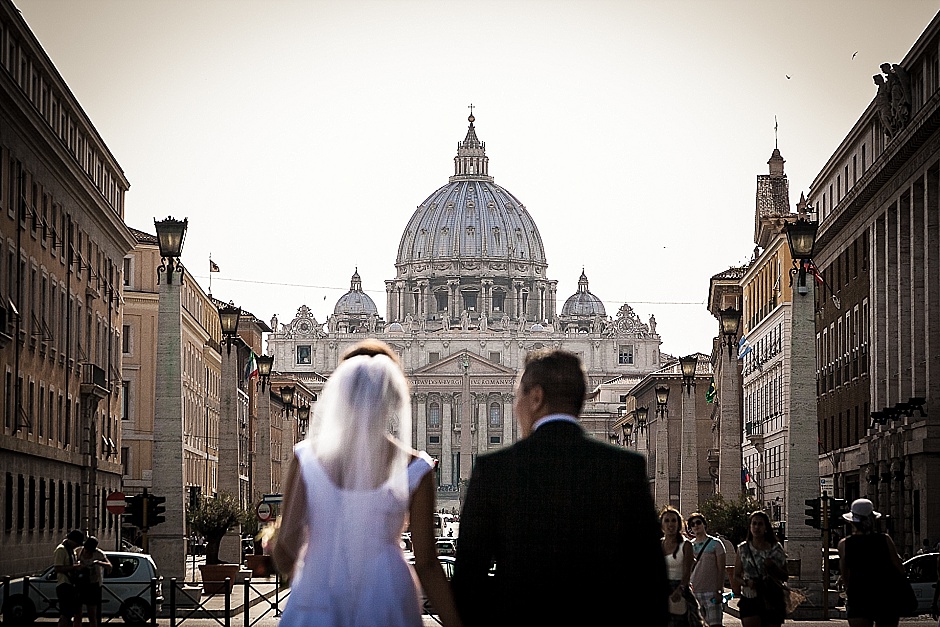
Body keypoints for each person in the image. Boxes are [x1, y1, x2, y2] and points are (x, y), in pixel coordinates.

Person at [452, 348, 667, 625]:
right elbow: (651, 580)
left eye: (518, 397)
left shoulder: (493, 470)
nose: (516, 407)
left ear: (537, 398)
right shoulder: (625, 468)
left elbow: (468, 581)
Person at [271, 339, 461, 627]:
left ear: (340, 394)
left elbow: (286, 550)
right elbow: (427, 563)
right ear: (395, 398)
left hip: (319, 593)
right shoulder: (417, 467)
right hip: (387, 594)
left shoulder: (307, 458)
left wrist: (282, 548)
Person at [838, 498, 906, 627]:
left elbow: (845, 574)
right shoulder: (885, 540)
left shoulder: (844, 544)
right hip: (885, 596)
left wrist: (850, 592)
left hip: (859, 597)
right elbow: (899, 567)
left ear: (851, 521)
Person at [733, 510, 789, 627]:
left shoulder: (775, 548)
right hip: (750, 597)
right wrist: (747, 582)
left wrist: (772, 567)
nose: (756, 527)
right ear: (750, 527)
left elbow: (785, 576)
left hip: (771, 597)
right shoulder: (743, 549)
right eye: (754, 523)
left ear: (766, 527)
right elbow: (736, 575)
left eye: (760, 524)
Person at [661, 507, 705, 627]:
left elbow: (687, 572)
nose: (670, 524)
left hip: (680, 589)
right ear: (662, 524)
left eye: (674, 521)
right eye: (667, 521)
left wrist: (679, 590)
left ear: (679, 523)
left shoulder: (686, 545)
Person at [688, 512, 726, 627]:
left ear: (704, 524)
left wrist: (719, 590)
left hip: (712, 592)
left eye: (698, 522)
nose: (696, 526)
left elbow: (721, 569)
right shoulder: (689, 546)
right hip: (694, 593)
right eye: (692, 524)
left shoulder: (716, 543)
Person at [76, 536, 111, 627]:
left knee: (92, 614)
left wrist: (98, 562)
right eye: (86, 549)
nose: (87, 552)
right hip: (80, 584)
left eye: (89, 550)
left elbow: (109, 566)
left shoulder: (98, 554)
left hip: (93, 585)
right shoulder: (79, 551)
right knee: (77, 613)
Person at [53, 530, 85, 627]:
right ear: (71, 540)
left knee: (77, 612)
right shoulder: (61, 549)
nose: (77, 546)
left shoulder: (71, 550)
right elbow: (57, 568)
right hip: (64, 584)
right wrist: (75, 567)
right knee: (66, 614)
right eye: (76, 543)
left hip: (72, 584)